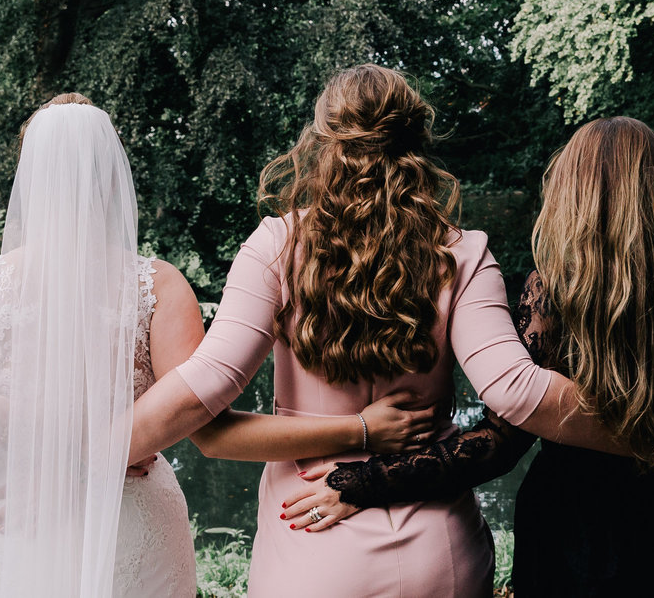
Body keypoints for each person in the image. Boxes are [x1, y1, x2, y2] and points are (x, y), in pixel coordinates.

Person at [0, 92, 434, 598]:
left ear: (28, 176)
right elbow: (201, 424)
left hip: (12, 513)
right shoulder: (163, 284)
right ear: (109, 172)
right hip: (135, 512)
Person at [128, 64, 624, 598]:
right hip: (440, 548)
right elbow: (513, 388)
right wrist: (648, 434)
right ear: (417, 140)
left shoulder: (275, 245)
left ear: (322, 140)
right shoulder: (464, 251)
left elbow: (207, 385)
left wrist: (98, 450)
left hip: (313, 542)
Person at [290, 116, 654, 598]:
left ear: (570, 194)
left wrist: (367, 481)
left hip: (576, 526)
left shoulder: (553, 295)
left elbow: (500, 442)